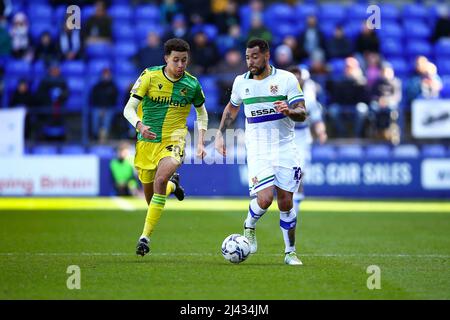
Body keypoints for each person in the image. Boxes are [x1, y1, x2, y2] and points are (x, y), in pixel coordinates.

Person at [214, 39, 307, 265]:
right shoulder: (240, 82)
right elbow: (232, 108)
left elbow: (303, 112)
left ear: (266, 56)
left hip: (285, 147)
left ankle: (290, 252)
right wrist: (220, 134)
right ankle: (249, 224)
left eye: (254, 57)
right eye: (247, 57)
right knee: (264, 199)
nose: (250, 61)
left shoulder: (286, 79)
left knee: (286, 203)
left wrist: (290, 111)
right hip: (257, 148)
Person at [123, 38, 208, 257]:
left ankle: (144, 238)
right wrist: (140, 125)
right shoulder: (149, 76)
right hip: (146, 143)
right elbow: (129, 109)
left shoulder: (192, 84)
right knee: (153, 199)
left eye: (184, 61)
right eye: (176, 60)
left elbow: (202, 112)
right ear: (166, 59)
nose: (180, 65)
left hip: (174, 140)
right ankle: (173, 186)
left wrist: (200, 141)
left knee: (160, 180)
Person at [287, 66, 327, 216]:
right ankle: (290, 204)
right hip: (285, 134)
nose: (297, 80)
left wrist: (321, 132)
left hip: (302, 135)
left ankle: (294, 208)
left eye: (299, 77)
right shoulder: (281, 94)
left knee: (299, 173)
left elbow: (317, 119)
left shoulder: (309, 99)